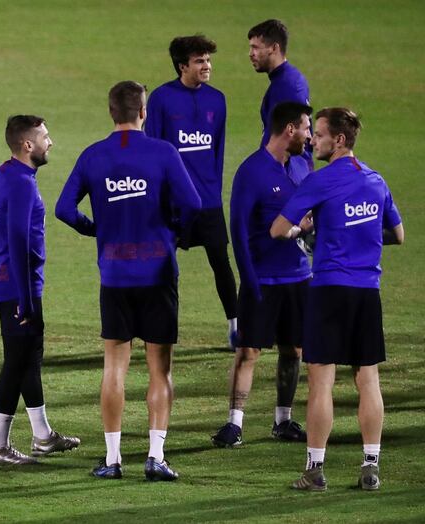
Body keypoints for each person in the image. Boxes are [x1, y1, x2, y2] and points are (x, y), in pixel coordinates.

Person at [56, 81, 201, 481]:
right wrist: (173, 232)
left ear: (110, 112)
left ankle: (113, 459)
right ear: (143, 113)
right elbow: (193, 205)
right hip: (158, 272)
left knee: (114, 368)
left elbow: (64, 209)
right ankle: (155, 455)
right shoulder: (163, 153)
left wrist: (94, 230)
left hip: (115, 275)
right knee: (160, 369)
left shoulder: (93, 156)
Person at [270, 108, 404, 491]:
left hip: (328, 290)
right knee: (368, 379)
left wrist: (306, 230)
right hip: (367, 291)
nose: (314, 140)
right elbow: (398, 234)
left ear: (339, 141)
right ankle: (370, 466)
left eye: (322, 135)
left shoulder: (320, 180)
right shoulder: (376, 181)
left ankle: (315, 470)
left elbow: (278, 228)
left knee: (321, 383)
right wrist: (363, 238)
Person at [211, 102, 313, 448]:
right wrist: (249, 279)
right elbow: (237, 230)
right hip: (263, 280)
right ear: (289, 130)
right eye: (306, 129)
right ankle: (234, 424)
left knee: (294, 350)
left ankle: (283, 421)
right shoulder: (252, 171)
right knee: (249, 351)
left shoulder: (302, 165)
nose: (309, 136)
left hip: (299, 278)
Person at [0, 115, 80, 465]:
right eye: (44, 137)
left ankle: (42, 436)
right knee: (16, 361)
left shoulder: (4, 172)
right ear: (28, 145)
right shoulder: (23, 183)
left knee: (29, 357)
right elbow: (19, 240)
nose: (50, 142)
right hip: (16, 286)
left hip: (8, 280)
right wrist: (25, 300)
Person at [145, 35, 238, 348]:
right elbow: (153, 150)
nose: (207, 66)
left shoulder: (218, 100)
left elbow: (218, 151)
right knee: (163, 267)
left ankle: (235, 325)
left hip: (208, 200)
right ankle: (161, 330)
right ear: (182, 65)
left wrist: (213, 189)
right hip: (172, 202)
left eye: (208, 60)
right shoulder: (160, 99)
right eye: (200, 61)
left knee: (221, 262)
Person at [248, 19, 312, 157]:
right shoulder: (287, 79)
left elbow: (293, 140)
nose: (251, 54)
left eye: (256, 47)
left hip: (287, 172)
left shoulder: (287, 86)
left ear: (274, 48)